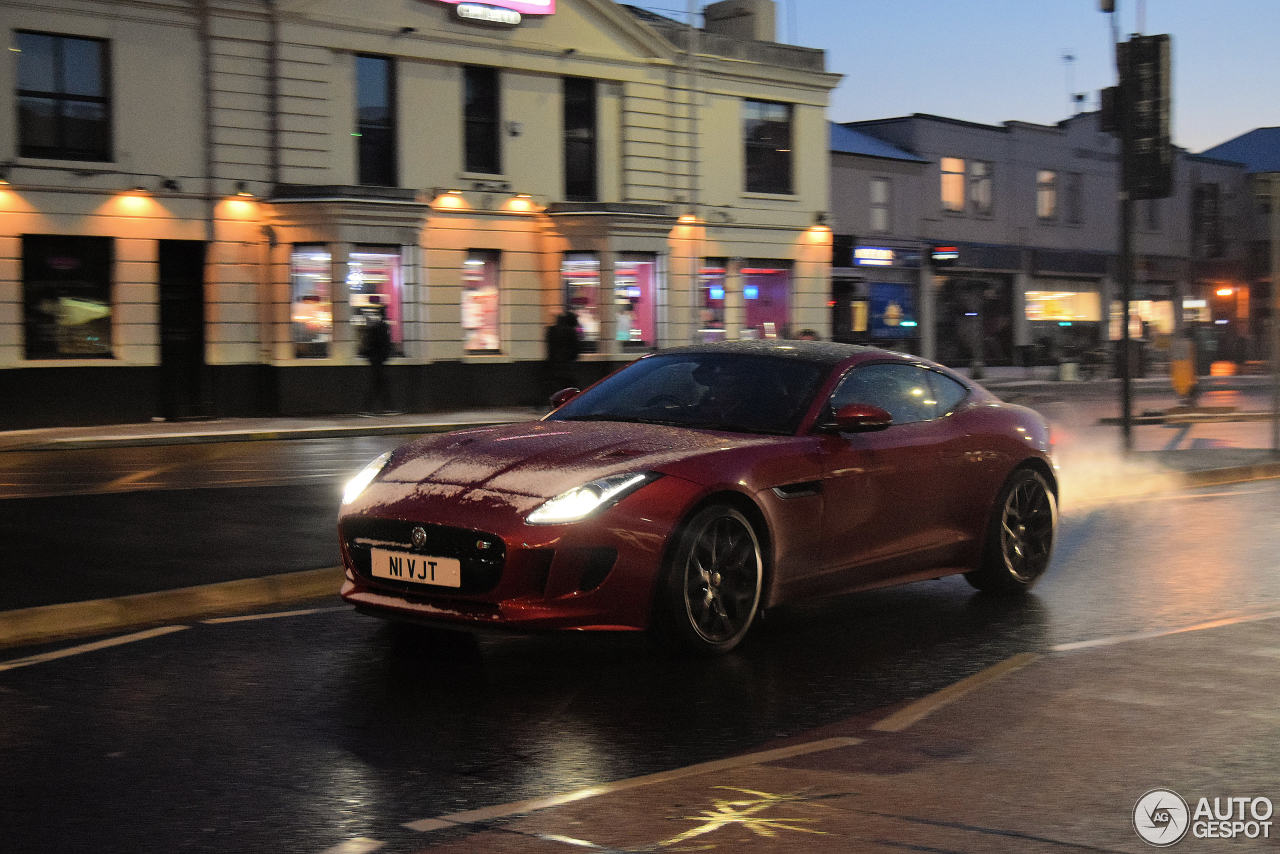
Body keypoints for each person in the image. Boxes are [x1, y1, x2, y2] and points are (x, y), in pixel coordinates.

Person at [359, 299, 394, 415]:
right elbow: (384, 344)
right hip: (378, 360)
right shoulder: (382, 327)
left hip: (375, 359)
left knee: (378, 384)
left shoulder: (375, 326)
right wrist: (386, 355)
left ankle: (371, 408)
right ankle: (383, 408)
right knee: (379, 384)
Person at [543, 310, 581, 403]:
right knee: (571, 389)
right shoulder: (571, 332)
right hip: (567, 366)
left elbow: (549, 348)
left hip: (553, 365)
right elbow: (576, 350)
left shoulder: (551, 330)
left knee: (555, 388)